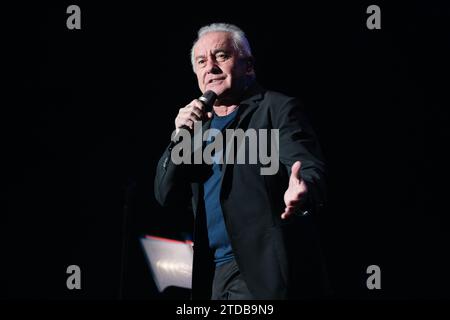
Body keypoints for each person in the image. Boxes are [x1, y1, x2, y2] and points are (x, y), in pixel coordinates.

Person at [155, 23, 329, 299]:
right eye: (201, 61)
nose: (210, 66)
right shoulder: (198, 130)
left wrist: (303, 189)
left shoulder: (275, 109)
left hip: (259, 269)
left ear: (248, 66)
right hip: (211, 272)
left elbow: (306, 166)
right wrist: (180, 137)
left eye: (221, 56)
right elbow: (165, 194)